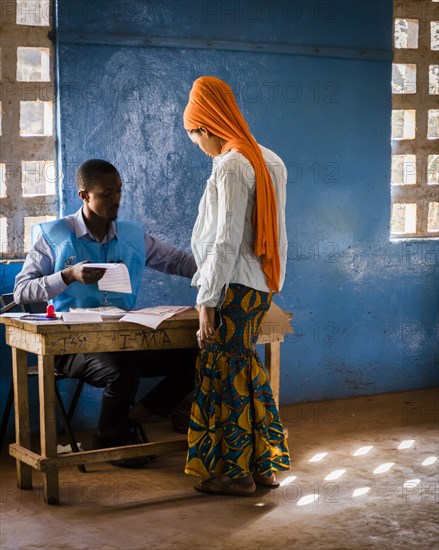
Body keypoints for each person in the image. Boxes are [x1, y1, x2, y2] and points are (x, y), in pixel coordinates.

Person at [14, 159, 197, 467]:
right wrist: (68, 275)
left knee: (196, 358)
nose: (116, 200)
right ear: (84, 195)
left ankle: (131, 417)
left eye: (119, 192)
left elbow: (177, 262)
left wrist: (220, 272)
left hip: (123, 339)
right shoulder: (54, 236)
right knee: (122, 374)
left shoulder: (131, 236)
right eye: (106, 193)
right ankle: (110, 440)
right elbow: (22, 291)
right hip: (72, 345)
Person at [182, 76, 290, 495]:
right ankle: (263, 466)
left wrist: (206, 300)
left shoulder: (230, 165)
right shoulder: (270, 159)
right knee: (243, 368)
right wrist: (271, 281)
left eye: (195, 138)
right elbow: (279, 234)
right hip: (260, 286)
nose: (199, 147)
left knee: (223, 374)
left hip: (231, 287)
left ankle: (234, 473)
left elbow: (225, 240)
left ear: (206, 127)